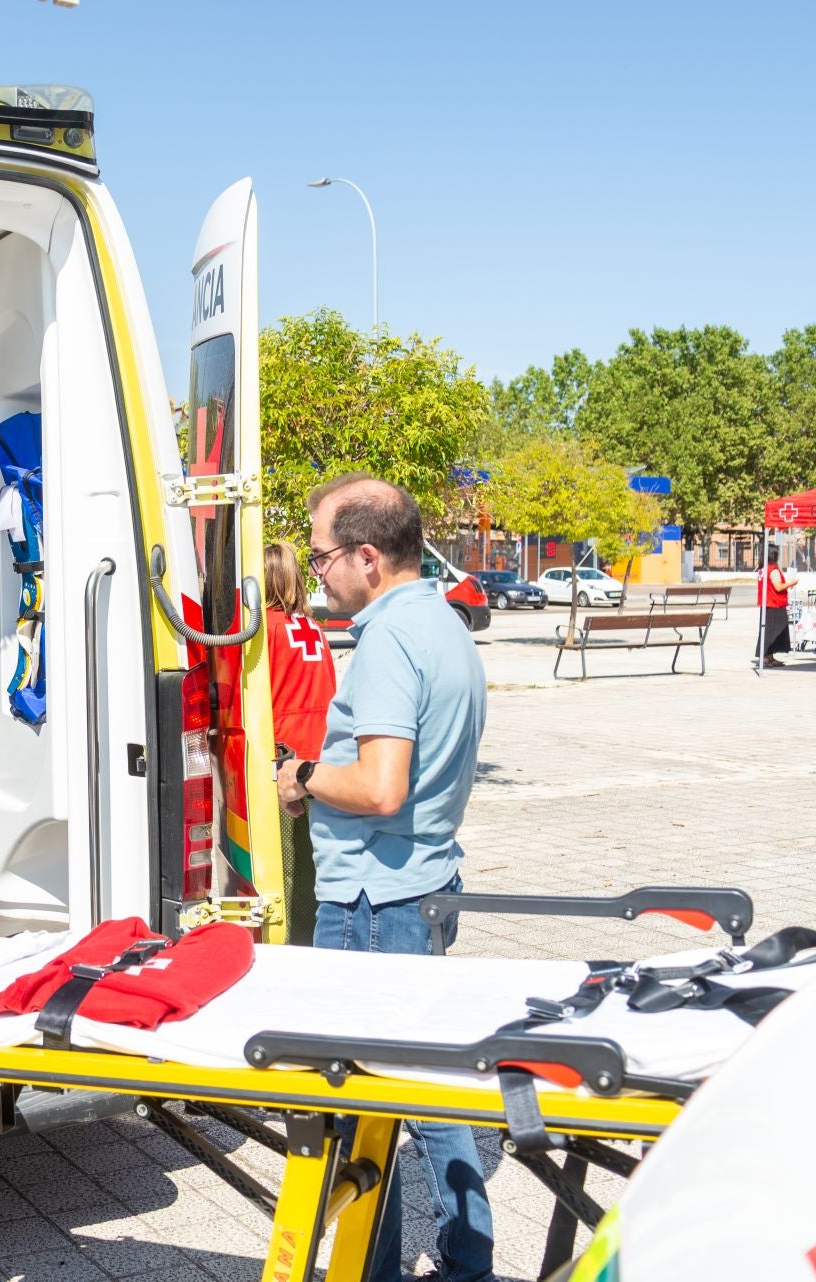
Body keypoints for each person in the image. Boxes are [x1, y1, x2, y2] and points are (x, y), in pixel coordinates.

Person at [275, 474, 493, 1282]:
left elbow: (379, 786)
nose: (318, 570)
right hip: (424, 880)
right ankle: (449, 1257)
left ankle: (405, 1265)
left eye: (326, 554)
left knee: (378, 1099)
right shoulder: (441, 621)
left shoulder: (390, 640)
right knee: (422, 1085)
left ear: (369, 555)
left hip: (377, 897)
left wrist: (300, 775)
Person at [262, 540, 338, 947]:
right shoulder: (313, 628)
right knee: (313, 861)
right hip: (321, 756)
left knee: (284, 864)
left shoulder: (264, 629)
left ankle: (288, 943)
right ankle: (312, 937)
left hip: (284, 757)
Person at [758, 549, 796, 666]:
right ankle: (767, 657)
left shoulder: (762, 569)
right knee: (775, 632)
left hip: (766, 604)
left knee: (768, 632)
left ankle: (769, 656)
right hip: (775, 604)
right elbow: (778, 587)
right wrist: (792, 583)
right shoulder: (773, 570)